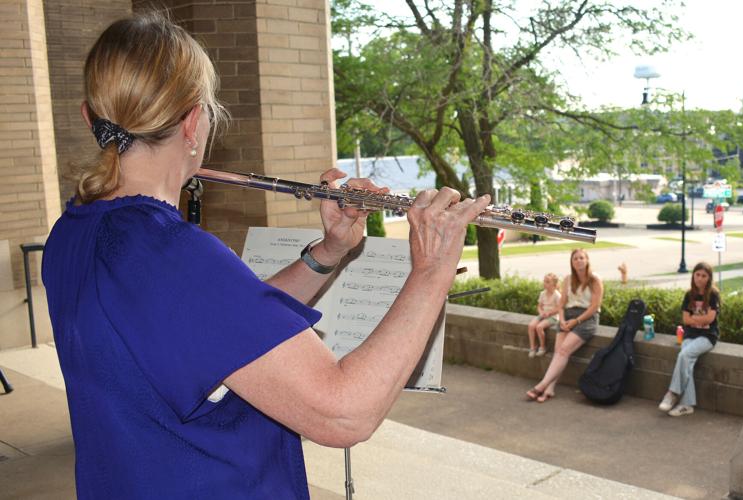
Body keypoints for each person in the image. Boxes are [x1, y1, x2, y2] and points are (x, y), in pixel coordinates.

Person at [41, 13, 490, 499]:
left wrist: (328, 251)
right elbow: (344, 412)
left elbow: (216, 329)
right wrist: (431, 271)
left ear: (91, 118)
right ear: (193, 123)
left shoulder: (73, 231)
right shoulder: (171, 252)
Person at [526, 249, 603, 402]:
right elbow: (561, 304)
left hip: (586, 318)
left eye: (582, 258)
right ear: (572, 262)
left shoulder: (595, 279)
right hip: (567, 316)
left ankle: (541, 386)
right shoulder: (568, 279)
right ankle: (550, 389)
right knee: (558, 353)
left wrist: (577, 321)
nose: (579, 260)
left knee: (563, 350)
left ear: (587, 260)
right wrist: (561, 320)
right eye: (575, 258)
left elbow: (594, 307)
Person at [658, 262, 720, 417]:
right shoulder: (689, 295)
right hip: (690, 335)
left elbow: (710, 319)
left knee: (684, 356)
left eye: (704, 276)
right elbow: (686, 319)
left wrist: (695, 319)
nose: (700, 278)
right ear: (693, 275)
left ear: (709, 278)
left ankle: (672, 393)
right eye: (697, 274)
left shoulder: (713, 294)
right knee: (687, 364)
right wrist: (701, 319)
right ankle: (687, 405)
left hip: (707, 337)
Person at [526, 273, 561, 358]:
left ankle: (542, 347)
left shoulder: (557, 295)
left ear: (554, 285)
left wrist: (549, 313)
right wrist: (541, 312)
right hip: (543, 315)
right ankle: (533, 347)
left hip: (553, 317)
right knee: (531, 326)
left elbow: (559, 309)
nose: (544, 283)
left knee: (539, 327)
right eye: (544, 281)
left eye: (547, 282)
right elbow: (539, 306)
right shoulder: (542, 293)